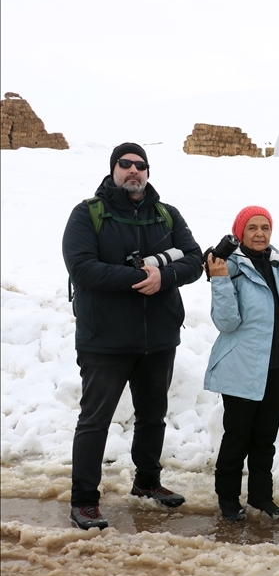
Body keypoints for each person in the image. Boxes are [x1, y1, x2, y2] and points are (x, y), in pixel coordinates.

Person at [61, 142, 203, 530]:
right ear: (113, 170)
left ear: (148, 173)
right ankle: (84, 500)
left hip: (157, 338)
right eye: (125, 165)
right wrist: (143, 277)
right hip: (104, 339)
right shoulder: (87, 214)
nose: (133, 171)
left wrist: (165, 276)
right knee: (95, 420)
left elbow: (194, 259)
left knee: (152, 416)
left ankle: (147, 482)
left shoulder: (166, 215)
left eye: (140, 166)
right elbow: (83, 269)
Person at [205, 207, 279, 521]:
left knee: (265, 439)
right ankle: (228, 500)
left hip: (274, 369)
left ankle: (261, 496)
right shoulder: (230, 268)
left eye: (265, 227)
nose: (260, 233)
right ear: (240, 234)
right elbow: (227, 322)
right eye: (252, 228)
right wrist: (219, 280)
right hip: (242, 368)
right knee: (237, 438)